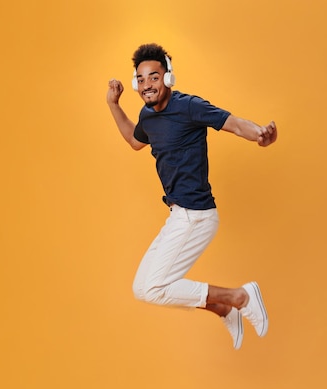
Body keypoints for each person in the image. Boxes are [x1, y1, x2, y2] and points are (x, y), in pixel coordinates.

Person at [106, 43, 277, 349]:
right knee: (142, 288)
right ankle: (222, 307)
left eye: (154, 77)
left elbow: (233, 123)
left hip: (196, 215)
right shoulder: (148, 116)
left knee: (156, 287)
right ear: (136, 84)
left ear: (168, 78)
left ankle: (239, 296)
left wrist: (259, 134)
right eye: (141, 79)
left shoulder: (188, 106)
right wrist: (113, 104)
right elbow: (135, 141)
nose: (147, 85)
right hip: (178, 215)